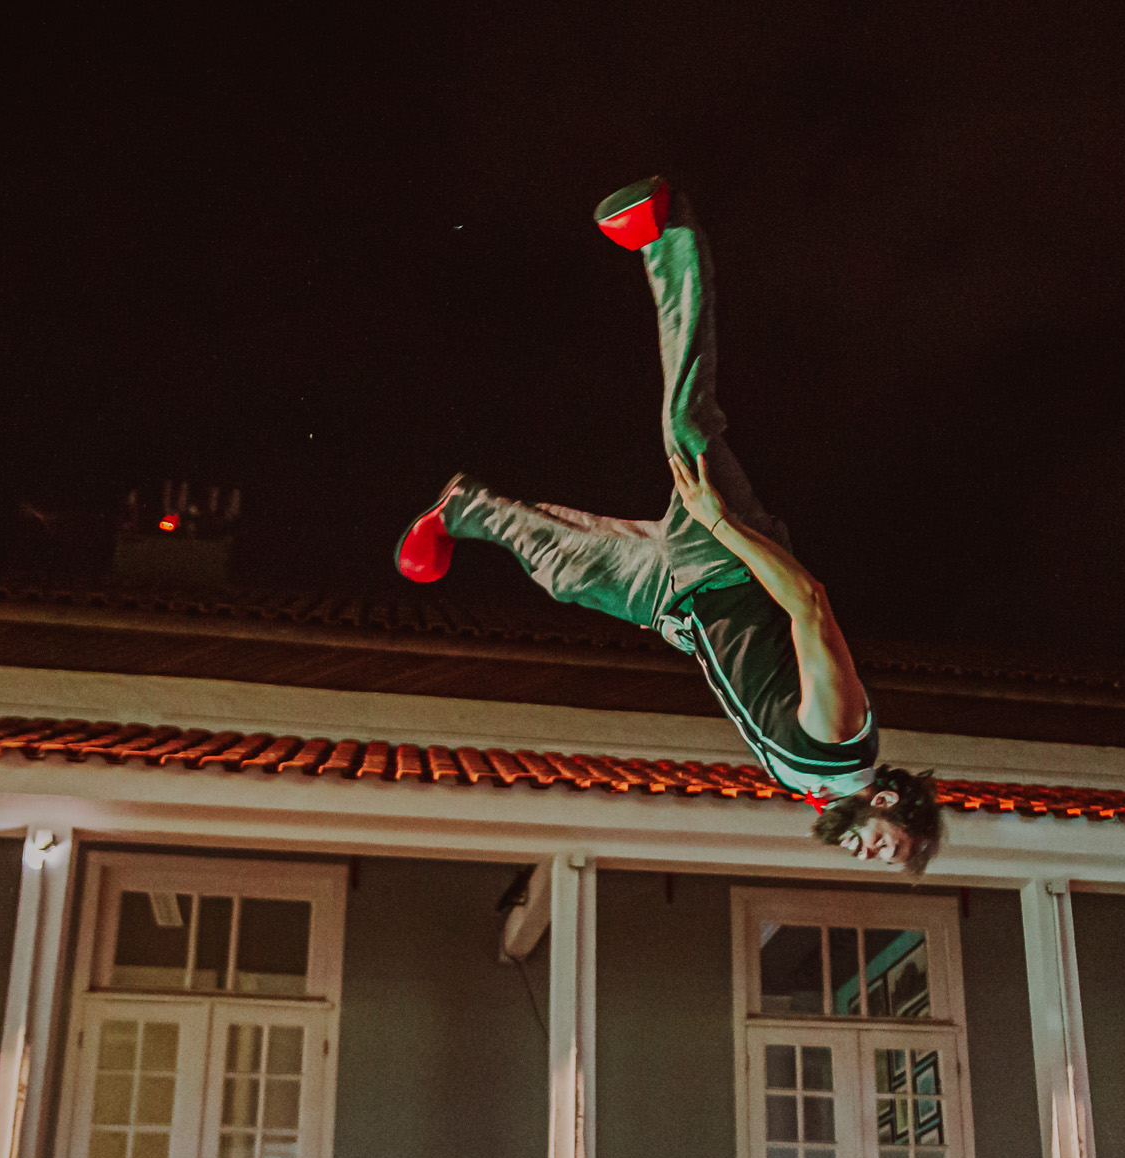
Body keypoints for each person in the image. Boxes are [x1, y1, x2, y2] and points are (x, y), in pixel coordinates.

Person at [394, 176, 944, 874]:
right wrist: (720, 522)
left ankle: (462, 508)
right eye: (885, 845)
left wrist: (695, 637)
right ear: (887, 803)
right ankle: (667, 232)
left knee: (569, 571)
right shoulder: (839, 740)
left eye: (878, 860)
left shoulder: (820, 783)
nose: (869, 854)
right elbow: (810, 603)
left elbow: (755, 678)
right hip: (723, 560)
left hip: (681, 602)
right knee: (687, 422)